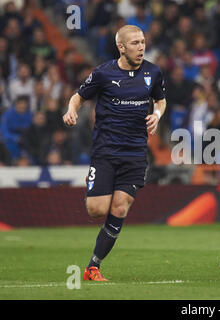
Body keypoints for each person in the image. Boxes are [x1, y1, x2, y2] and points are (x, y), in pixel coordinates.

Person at [62, 25, 167, 281]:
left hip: (135, 153)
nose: (141, 47)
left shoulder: (153, 72)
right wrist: (71, 110)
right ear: (121, 47)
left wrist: (157, 114)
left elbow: (160, 100)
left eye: (142, 42)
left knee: (119, 209)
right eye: (134, 43)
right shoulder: (103, 73)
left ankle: (93, 267)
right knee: (97, 211)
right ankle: (94, 184)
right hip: (106, 151)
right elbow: (78, 96)